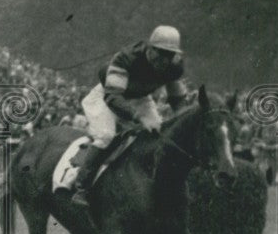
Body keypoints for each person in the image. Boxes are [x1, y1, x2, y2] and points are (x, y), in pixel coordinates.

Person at [67, 25, 189, 208]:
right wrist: (139, 117)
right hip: (106, 96)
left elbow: (178, 102)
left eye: (169, 54)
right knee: (106, 135)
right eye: (160, 52)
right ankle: (82, 186)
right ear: (150, 48)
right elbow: (113, 97)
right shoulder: (127, 58)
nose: (164, 59)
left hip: (140, 98)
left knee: (159, 133)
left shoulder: (175, 67)